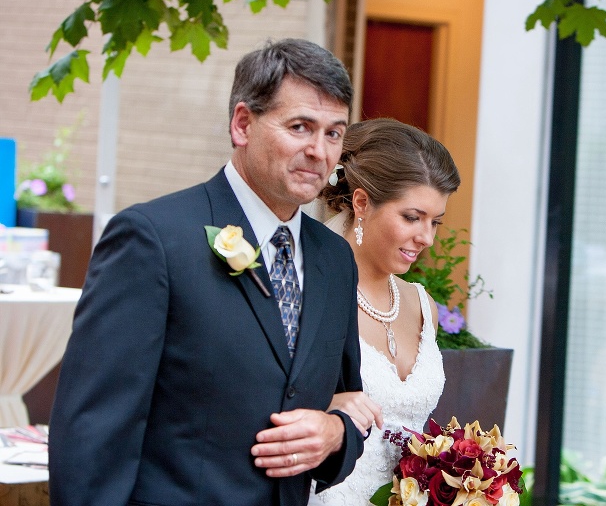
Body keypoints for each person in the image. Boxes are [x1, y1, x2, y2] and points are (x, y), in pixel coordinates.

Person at [48, 38, 367, 505]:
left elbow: (345, 401)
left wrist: (336, 434)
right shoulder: (153, 239)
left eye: (334, 133)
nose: (320, 151)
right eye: (301, 127)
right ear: (243, 124)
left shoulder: (335, 261)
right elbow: (93, 431)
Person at [307, 118, 461, 505]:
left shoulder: (423, 306)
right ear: (361, 202)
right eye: (412, 217)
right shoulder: (311, 291)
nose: (426, 238)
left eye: (435, 222)